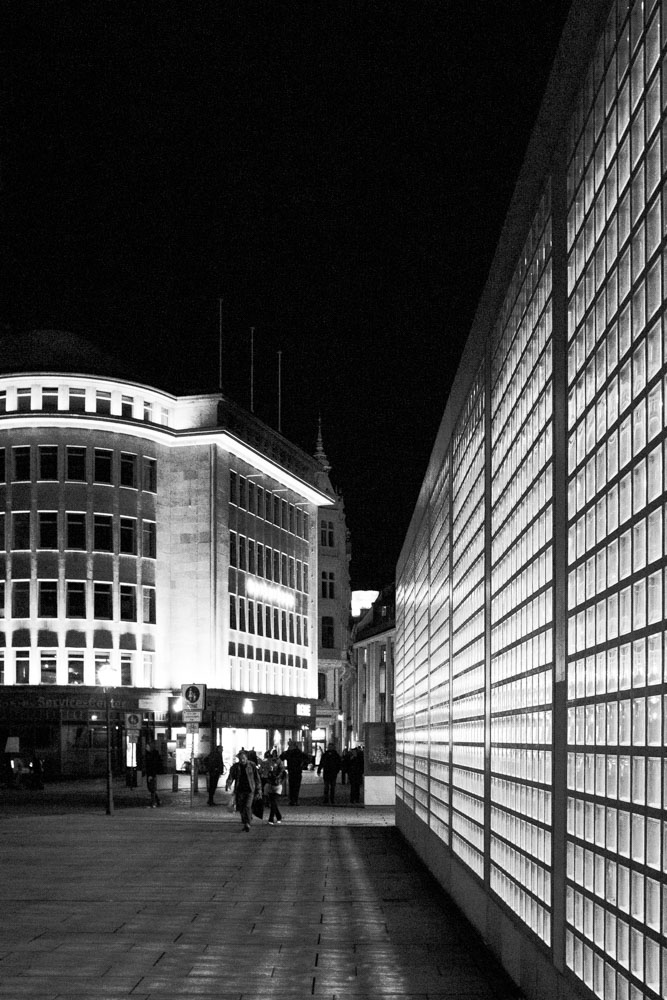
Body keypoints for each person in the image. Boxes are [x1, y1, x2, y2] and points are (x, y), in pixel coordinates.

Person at [225, 750, 261, 831]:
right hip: (240, 790)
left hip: (250, 790)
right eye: (240, 758)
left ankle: (247, 823)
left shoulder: (252, 765)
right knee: (241, 807)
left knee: (247, 806)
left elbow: (257, 778)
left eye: (243, 758)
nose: (242, 760)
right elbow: (231, 776)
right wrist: (228, 784)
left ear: (246, 758)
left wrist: (259, 790)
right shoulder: (235, 767)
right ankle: (246, 821)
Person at [280, 739, 305, 806]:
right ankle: (294, 800)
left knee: (292, 786)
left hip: (293, 771)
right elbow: (306, 758)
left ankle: (292, 800)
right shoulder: (298, 752)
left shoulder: (290, 752)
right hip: (296, 771)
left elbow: (281, 757)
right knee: (295, 786)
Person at [266, 755, 286, 826]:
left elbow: (283, 775)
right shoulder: (269, 766)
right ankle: (279, 816)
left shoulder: (281, 769)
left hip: (277, 786)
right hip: (271, 786)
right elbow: (266, 776)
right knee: (273, 803)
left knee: (273, 802)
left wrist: (279, 781)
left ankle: (270, 819)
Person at [144, 740, 162, 808]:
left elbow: (153, 766)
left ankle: (153, 803)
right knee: (152, 788)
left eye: (147, 746)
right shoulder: (148, 754)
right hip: (150, 774)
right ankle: (158, 801)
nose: (146, 747)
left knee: (152, 789)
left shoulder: (152, 755)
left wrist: (151, 775)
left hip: (151, 774)